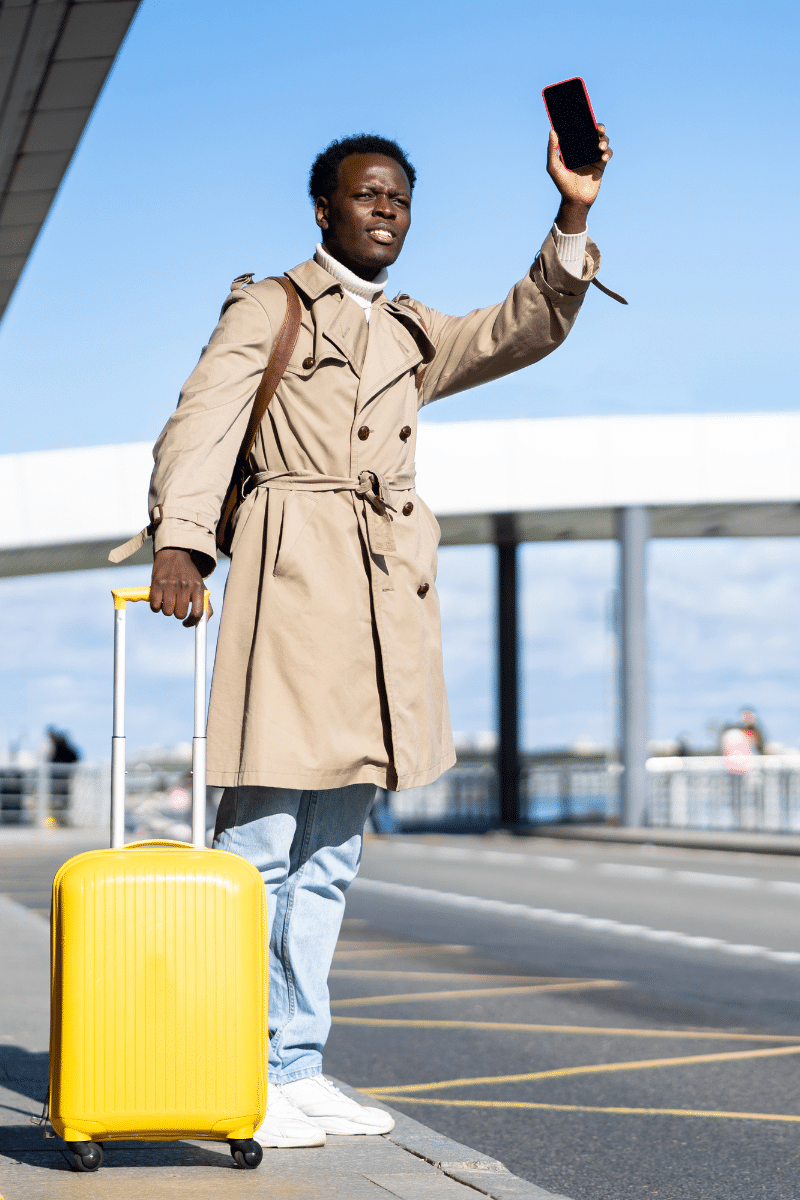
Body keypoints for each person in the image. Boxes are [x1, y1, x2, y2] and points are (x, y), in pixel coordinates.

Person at [111, 124, 614, 1147]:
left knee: (333, 854)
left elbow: (517, 329)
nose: (383, 209)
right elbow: (201, 422)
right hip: (293, 585)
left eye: (397, 197)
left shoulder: (409, 328)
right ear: (323, 208)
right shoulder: (273, 304)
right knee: (258, 844)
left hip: (382, 601)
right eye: (364, 194)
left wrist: (571, 210)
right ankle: (233, 1063)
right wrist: (182, 544)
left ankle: (295, 1063)